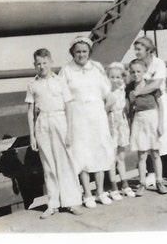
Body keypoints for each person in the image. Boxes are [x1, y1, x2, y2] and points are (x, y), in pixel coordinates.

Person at [25, 48, 83, 219]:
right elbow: (30, 111)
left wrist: (70, 130)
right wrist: (32, 135)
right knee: (48, 164)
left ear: (50, 62)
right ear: (34, 65)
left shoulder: (60, 81)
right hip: (43, 122)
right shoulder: (32, 85)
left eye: (45, 63)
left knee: (66, 162)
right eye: (38, 64)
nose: (42, 66)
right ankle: (53, 204)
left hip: (60, 120)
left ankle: (72, 201)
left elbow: (69, 106)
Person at [59, 36, 115, 208]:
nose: (81, 55)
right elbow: (61, 96)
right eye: (78, 52)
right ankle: (87, 194)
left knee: (99, 151)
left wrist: (103, 112)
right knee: (81, 154)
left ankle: (100, 192)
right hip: (77, 118)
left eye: (84, 51)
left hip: (97, 117)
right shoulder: (66, 71)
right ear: (72, 53)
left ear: (89, 52)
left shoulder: (96, 68)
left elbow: (109, 95)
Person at [132, 36, 167, 192]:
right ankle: (153, 174)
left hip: (160, 104)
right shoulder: (139, 65)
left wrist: (137, 92)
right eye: (135, 49)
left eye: (139, 49)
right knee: (149, 140)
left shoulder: (158, 63)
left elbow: (156, 84)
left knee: (166, 136)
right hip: (146, 107)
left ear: (148, 50)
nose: (136, 52)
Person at [126, 59, 167, 196]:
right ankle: (142, 183)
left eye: (138, 71)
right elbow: (128, 108)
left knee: (155, 153)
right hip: (139, 120)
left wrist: (161, 124)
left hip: (152, 119)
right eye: (132, 72)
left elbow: (161, 106)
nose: (135, 74)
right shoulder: (130, 88)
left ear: (144, 71)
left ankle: (159, 181)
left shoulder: (151, 86)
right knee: (142, 154)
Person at [105, 62, 136, 200]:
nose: (115, 80)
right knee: (111, 158)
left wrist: (123, 68)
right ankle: (113, 187)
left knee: (121, 157)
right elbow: (104, 110)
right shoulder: (106, 91)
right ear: (108, 78)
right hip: (110, 123)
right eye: (112, 77)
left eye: (118, 77)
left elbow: (129, 75)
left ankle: (124, 184)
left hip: (121, 123)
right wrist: (108, 104)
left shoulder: (123, 87)